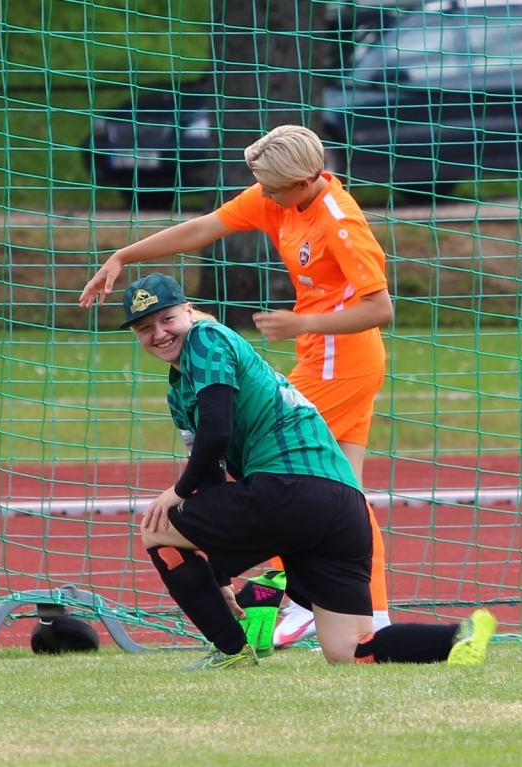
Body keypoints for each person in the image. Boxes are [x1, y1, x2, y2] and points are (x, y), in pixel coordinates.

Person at [79, 125, 393, 648]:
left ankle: (290, 595)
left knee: (284, 474)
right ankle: (372, 619)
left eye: (272, 188)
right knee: (345, 495)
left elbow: (380, 307)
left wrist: (303, 325)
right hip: (321, 354)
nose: (263, 196)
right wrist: (125, 256)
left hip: (344, 359)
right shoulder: (278, 197)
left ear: (307, 179)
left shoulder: (340, 220)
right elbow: (204, 227)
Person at [121, 272, 496, 669]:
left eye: (167, 319)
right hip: (343, 504)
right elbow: (212, 471)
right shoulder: (180, 386)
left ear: (190, 311)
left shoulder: (206, 337)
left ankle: (232, 651)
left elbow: (216, 432)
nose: (159, 333)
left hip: (291, 489)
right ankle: (459, 636)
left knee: (155, 526)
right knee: (348, 651)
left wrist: (177, 493)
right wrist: (218, 579)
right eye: (145, 328)